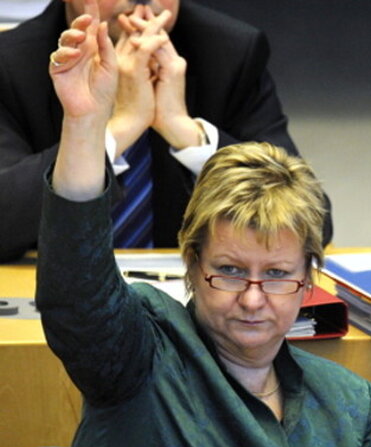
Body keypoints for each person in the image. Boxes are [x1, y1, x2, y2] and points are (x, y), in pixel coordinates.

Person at [35, 2, 371, 447]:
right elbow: (77, 291)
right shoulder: (140, 359)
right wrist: (85, 126)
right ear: (193, 266)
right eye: (230, 271)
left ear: (308, 280)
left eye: (277, 275)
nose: (252, 300)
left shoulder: (349, 404)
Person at [0, 0, 332, 262]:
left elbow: (312, 223)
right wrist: (117, 131)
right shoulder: (11, 62)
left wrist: (186, 133)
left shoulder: (230, 51)